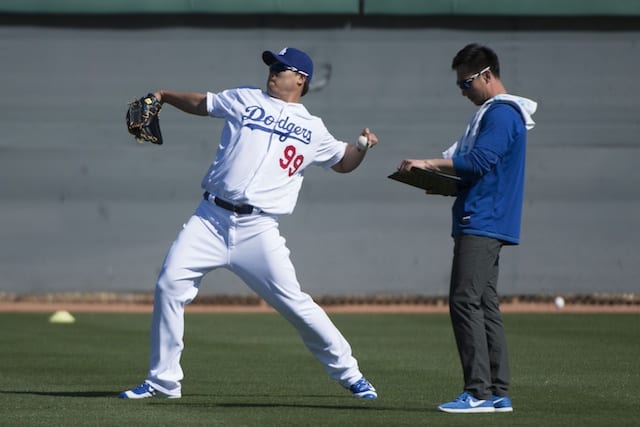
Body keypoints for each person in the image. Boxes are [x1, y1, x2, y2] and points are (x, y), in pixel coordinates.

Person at [120, 47, 378, 400]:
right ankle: (163, 381)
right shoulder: (245, 98)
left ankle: (351, 373)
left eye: (281, 68)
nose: (272, 71)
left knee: (295, 303)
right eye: (271, 65)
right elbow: (202, 103)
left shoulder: (314, 129)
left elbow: (343, 162)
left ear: (301, 79)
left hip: (258, 230)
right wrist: (164, 95)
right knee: (169, 286)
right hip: (210, 219)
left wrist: (362, 147)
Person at [398, 43, 537, 413]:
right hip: (483, 215)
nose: (463, 91)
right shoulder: (496, 114)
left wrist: (428, 162)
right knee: (483, 303)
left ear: (486, 75)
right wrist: (436, 179)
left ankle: (477, 392)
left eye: (466, 84)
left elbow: (477, 162)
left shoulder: (502, 114)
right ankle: (496, 393)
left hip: (484, 219)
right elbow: (476, 168)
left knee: (464, 300)